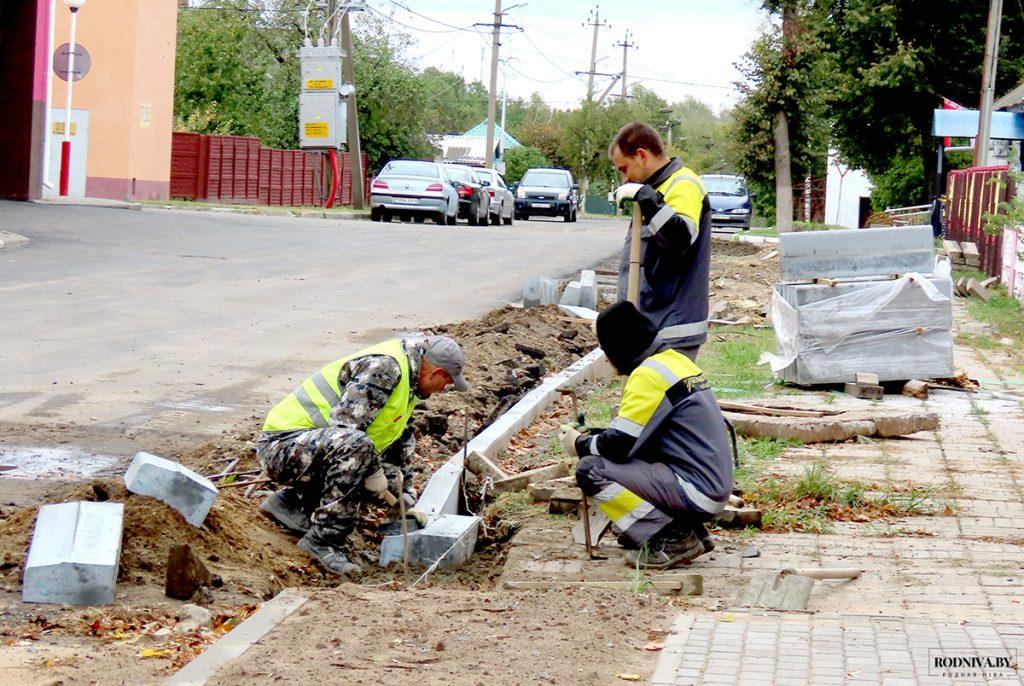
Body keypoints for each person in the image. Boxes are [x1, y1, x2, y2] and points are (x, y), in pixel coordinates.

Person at [256, 335, 468, 575]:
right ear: (436, 373)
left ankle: (292, 504)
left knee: (377, 470)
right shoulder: (386, 368)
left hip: (311, 449)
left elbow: (401, 438)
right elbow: (345, 429)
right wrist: (373, 473)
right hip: (282, 447)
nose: (443, 389)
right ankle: (323, 541)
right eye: (446, 383)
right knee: (357, 451)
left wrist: (403, 493)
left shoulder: (410, 382)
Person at [560, 301, 733, 569]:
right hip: (707, 483)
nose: (606, 359)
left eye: (607, 350)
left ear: (620, 347)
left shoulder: (648, 375)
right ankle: (684, 530)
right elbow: (635, 439)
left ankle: (670, 537)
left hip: (695, 489)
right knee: (622, 459)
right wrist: (594, 437)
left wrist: (579, 444)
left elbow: (617, 447)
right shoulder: (675, 362)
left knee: (591, 470)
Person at [609, 121, 712, 360]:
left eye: (624, 169)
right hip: (653, 326)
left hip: (672, 328)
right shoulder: (656, 188)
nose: (624, 179)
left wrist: (647, 199)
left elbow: (679, 239)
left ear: (642, 155)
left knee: (662, 397)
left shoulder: (682, 184)